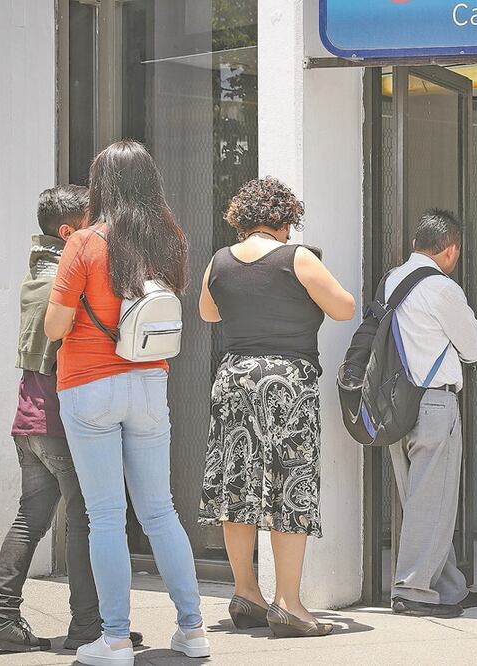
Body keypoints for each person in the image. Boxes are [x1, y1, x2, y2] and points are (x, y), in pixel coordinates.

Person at [44, 141, 207, 666]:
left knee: (106, 515)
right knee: (160, 511)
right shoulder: (169, 240)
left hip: (89, 384)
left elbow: (54, 326)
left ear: (101, 185)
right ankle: (193, 629)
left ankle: (114, 639)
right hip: (148, 385)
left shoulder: (85, 244)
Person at [0, 186, 145, 653]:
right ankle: (90, 627)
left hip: (29, 419)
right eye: (91, 224)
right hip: (60, 419)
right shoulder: (62, 280)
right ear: (68, 231)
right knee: (89, 517)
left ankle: (0, 618)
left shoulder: (38, 272)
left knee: (31, 518)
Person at [197, 177, 355, 638]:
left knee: (237, 484)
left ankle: (246, 591)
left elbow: (209, 313)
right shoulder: (296, 258)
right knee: (291, 482)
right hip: (285, 380)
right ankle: (288, 602)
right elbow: (344, 308)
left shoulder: (219, 261)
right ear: (284, 219)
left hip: (234, 379)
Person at [387, 209, 477, 619]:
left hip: (395, 404)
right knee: (436, 499)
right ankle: (412, 590)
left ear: (414, 245)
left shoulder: (392, 281)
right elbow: (473, 349)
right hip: (433, 401)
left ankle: (447, 587)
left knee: (422, 498)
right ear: (451, 251)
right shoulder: (443, 289)